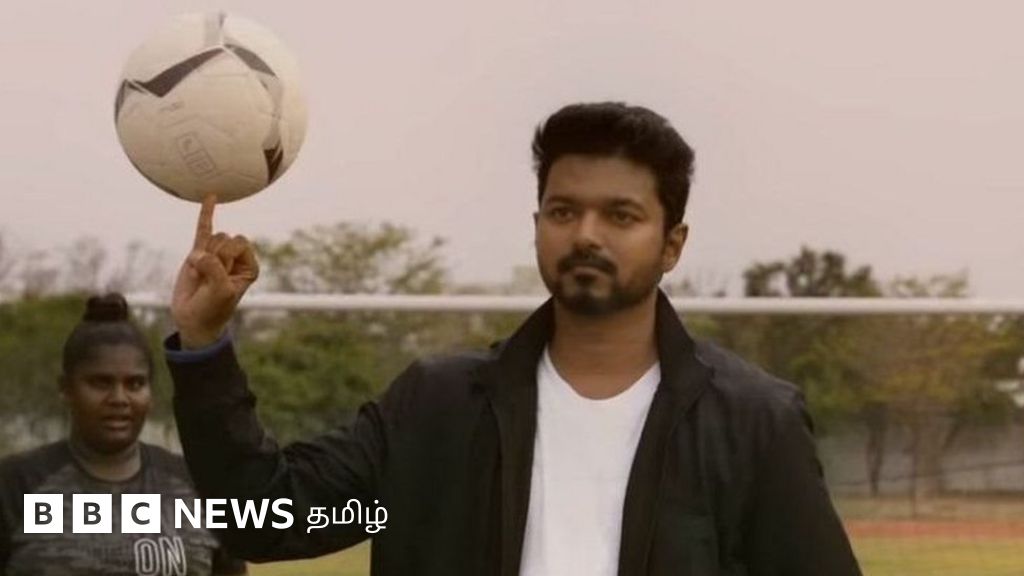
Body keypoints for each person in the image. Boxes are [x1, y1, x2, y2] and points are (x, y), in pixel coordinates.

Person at [166, 102, 863, 575]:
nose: (586, 234)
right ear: (537, 226)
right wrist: (203, 345)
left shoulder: (752, 421)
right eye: (564, 211)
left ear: (672, 244)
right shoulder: (436, 409)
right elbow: (266, 518)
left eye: (620, 215)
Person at [0, 293, 246, 576]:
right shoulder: (15, 486)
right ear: (66, 388)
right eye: (101, 383)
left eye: (135, 384)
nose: (119, 398)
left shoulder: (199, 487)